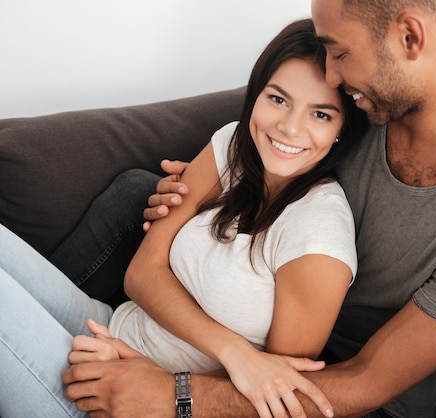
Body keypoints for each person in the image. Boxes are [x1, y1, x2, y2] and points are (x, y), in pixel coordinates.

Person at [62, 1, 436, 417]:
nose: (332, 74)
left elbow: (364, 383)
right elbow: (268, 124)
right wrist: (196, 191)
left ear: (409, 36)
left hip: (325, 392)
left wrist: (175, 395)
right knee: (135, 193)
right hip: (248, 320)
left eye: (339, 52)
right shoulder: (372, 105)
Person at [0, 18, 368, 418]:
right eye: (277, 99)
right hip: (108, 328)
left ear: (342, 129)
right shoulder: (232, 144)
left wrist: (157, 385)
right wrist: (234, 352)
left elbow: (270, 393)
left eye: (320, 114)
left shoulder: (318, 236)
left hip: (132, 404)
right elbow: (141, 274)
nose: (289, 128)